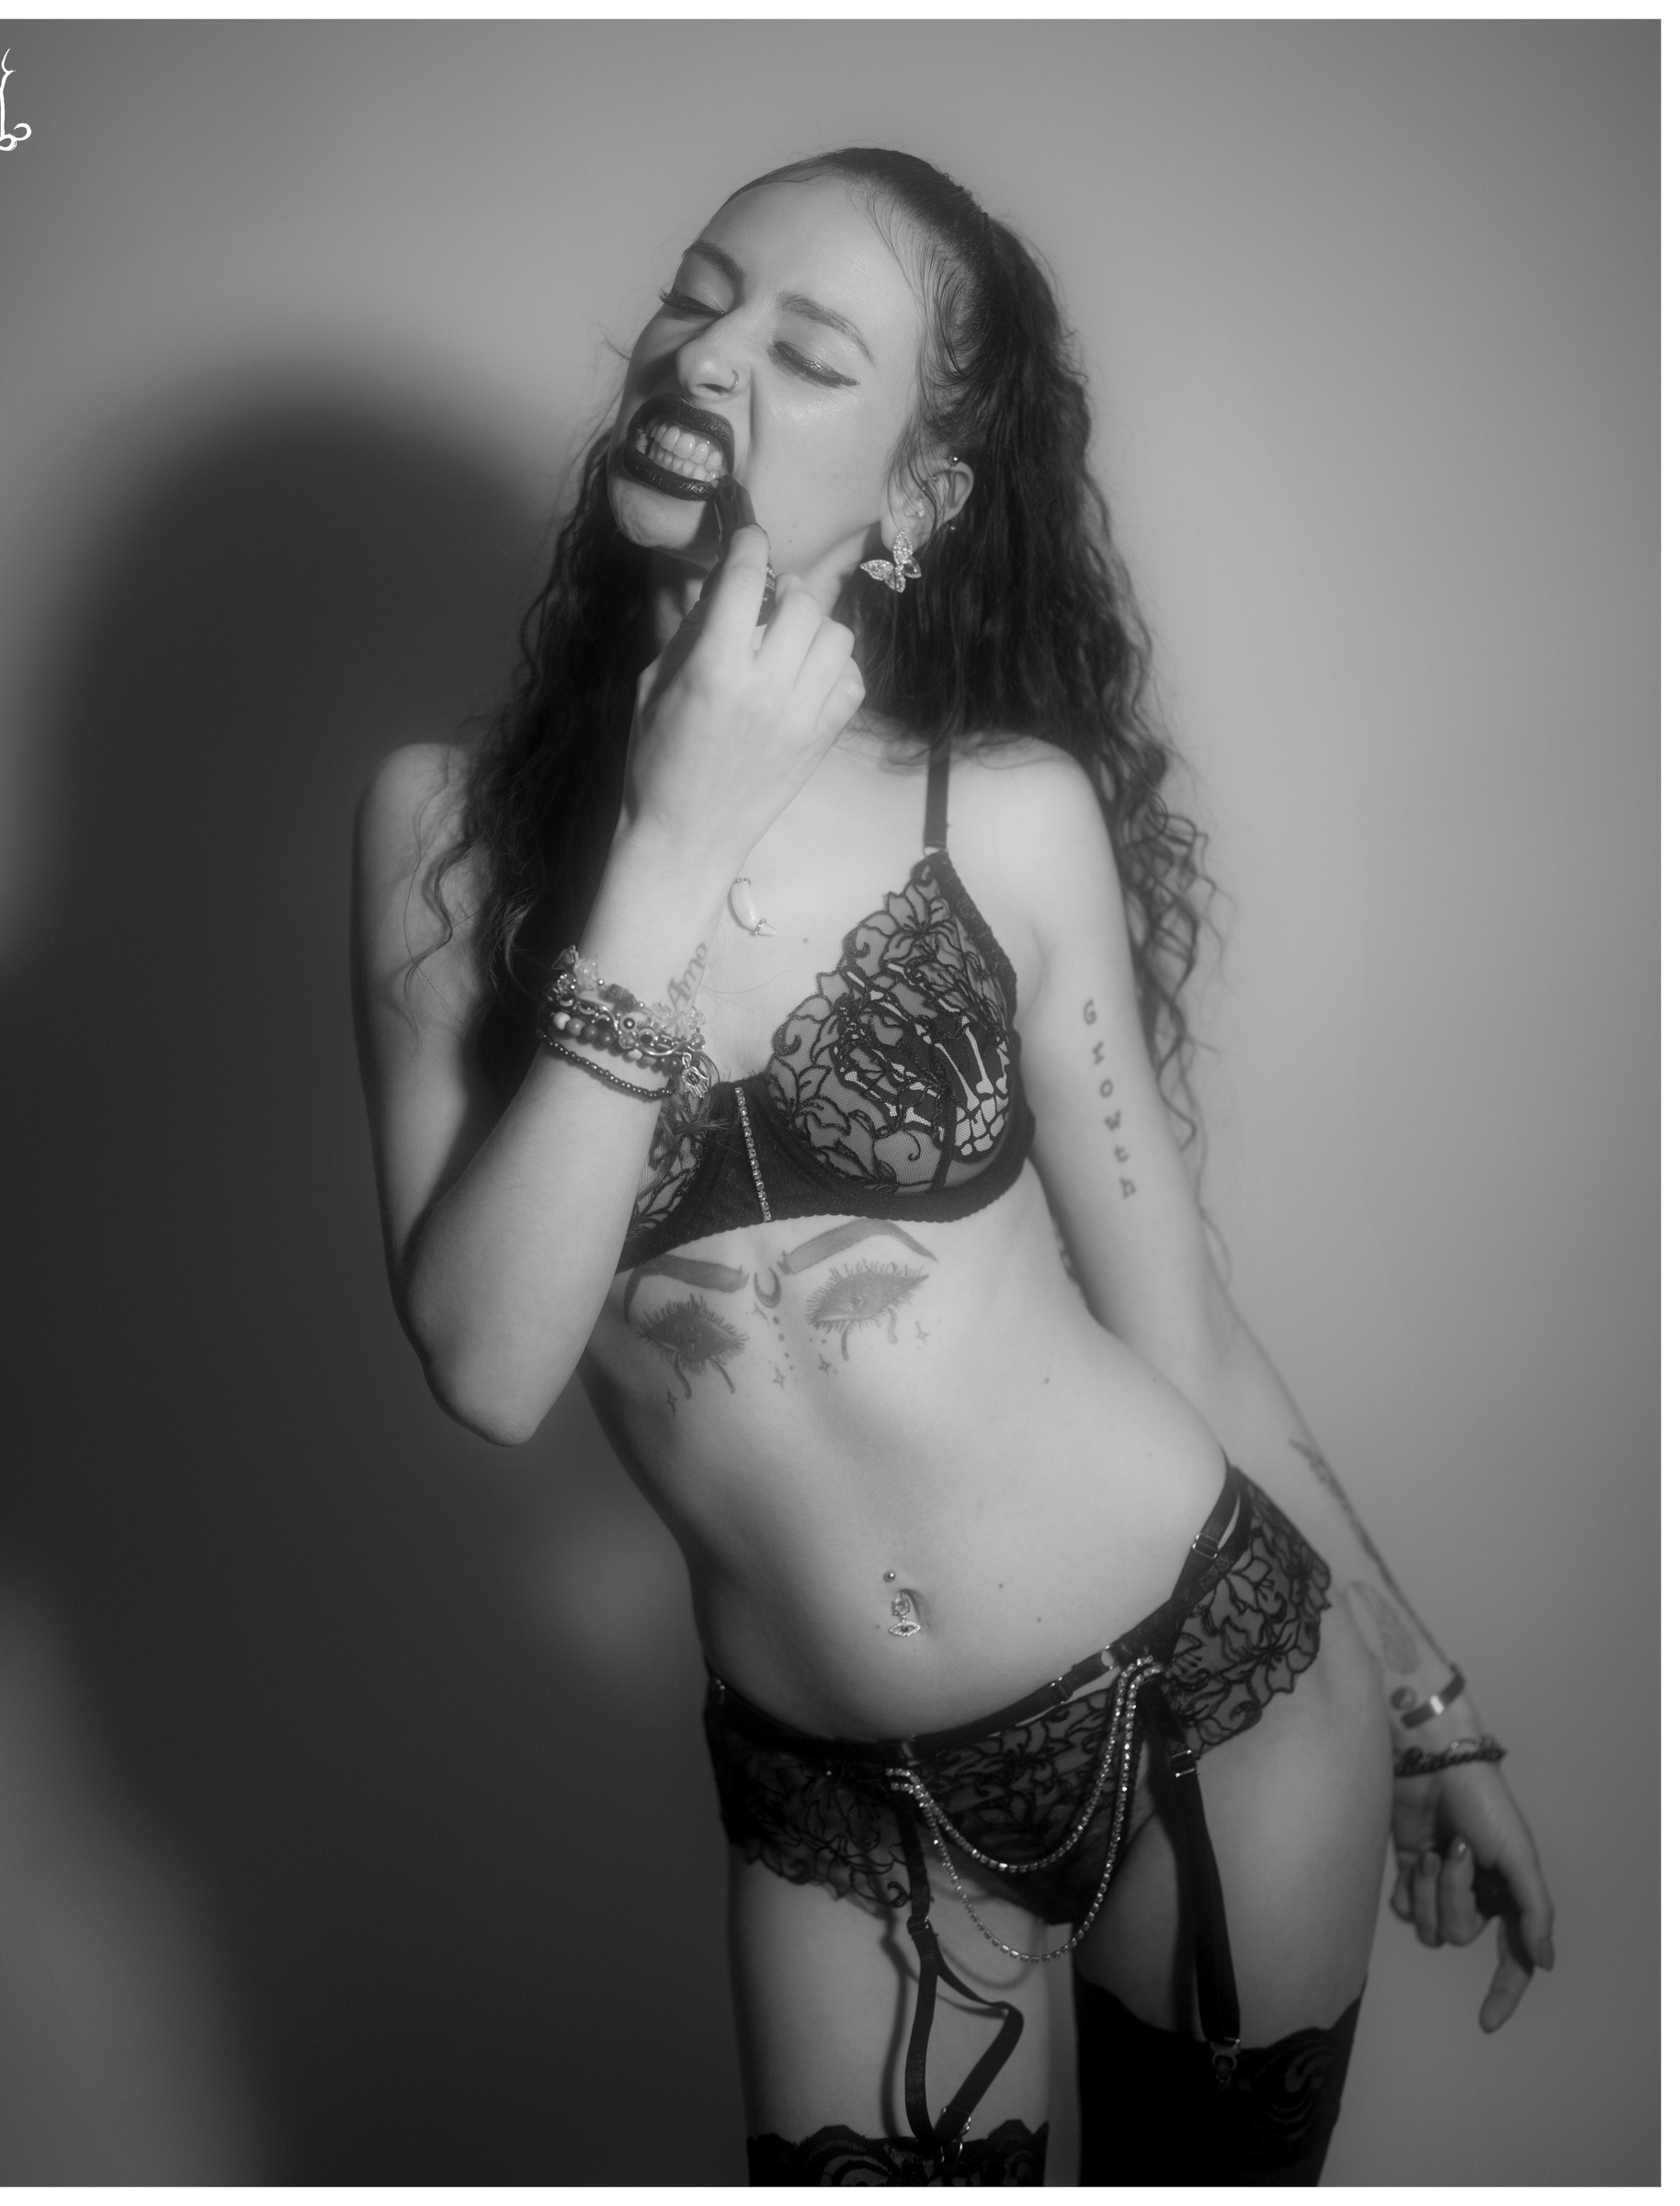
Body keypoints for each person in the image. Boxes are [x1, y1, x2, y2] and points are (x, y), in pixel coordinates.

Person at [352, 148, 1553, 2185]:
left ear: (917, 497)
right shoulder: (443, 843)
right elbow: (488, 1362)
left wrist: (1432, 1706)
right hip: (836, 1809)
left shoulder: (1000, 816)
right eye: (697, 297)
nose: (706, 357)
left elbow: (1182, 1330)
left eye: (808, 351)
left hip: (1213, 1696)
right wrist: (666, 844)